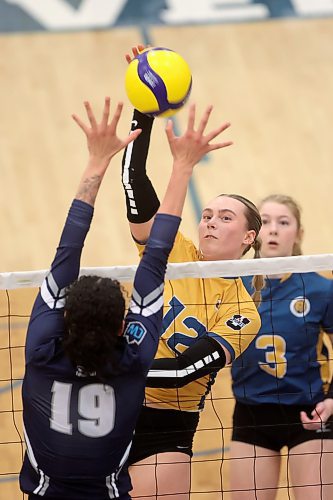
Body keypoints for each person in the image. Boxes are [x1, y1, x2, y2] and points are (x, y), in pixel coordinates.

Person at [19, 96, 220, 499]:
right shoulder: (134, 360)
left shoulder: (42, 349)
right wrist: (182, 167)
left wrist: (96, 162)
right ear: (121, 326)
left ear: (65, 318)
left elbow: (68, 250)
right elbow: (157, 254)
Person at [121, 47, 263, 500]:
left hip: (165, 429)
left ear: (248, 238)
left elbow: (184, 372)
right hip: (110, 409)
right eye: (209, 214)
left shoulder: (243, 312)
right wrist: (142, 105)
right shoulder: (173, 250)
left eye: (226, 218)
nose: (210, 221)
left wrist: (113, 369)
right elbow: (134, 180)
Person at [230, 194, 333, 500]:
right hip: (252, 413)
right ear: (253, 233)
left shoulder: (320, 288)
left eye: (284, 222)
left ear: (298, 234)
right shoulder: (234, 286)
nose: (273, 230)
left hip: (311, 411)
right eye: (266, 222)